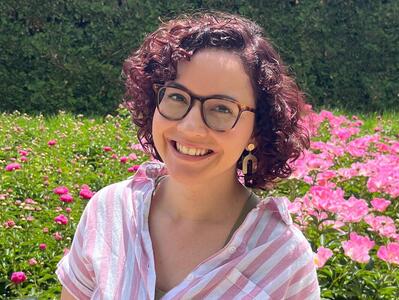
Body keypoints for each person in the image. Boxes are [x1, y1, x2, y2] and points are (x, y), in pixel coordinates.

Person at [56, 11, 320, 299]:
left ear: (257, 130)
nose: (190, 127)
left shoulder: (283, 258)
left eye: (221, 108)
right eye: (177, 97)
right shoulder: (109, 211)